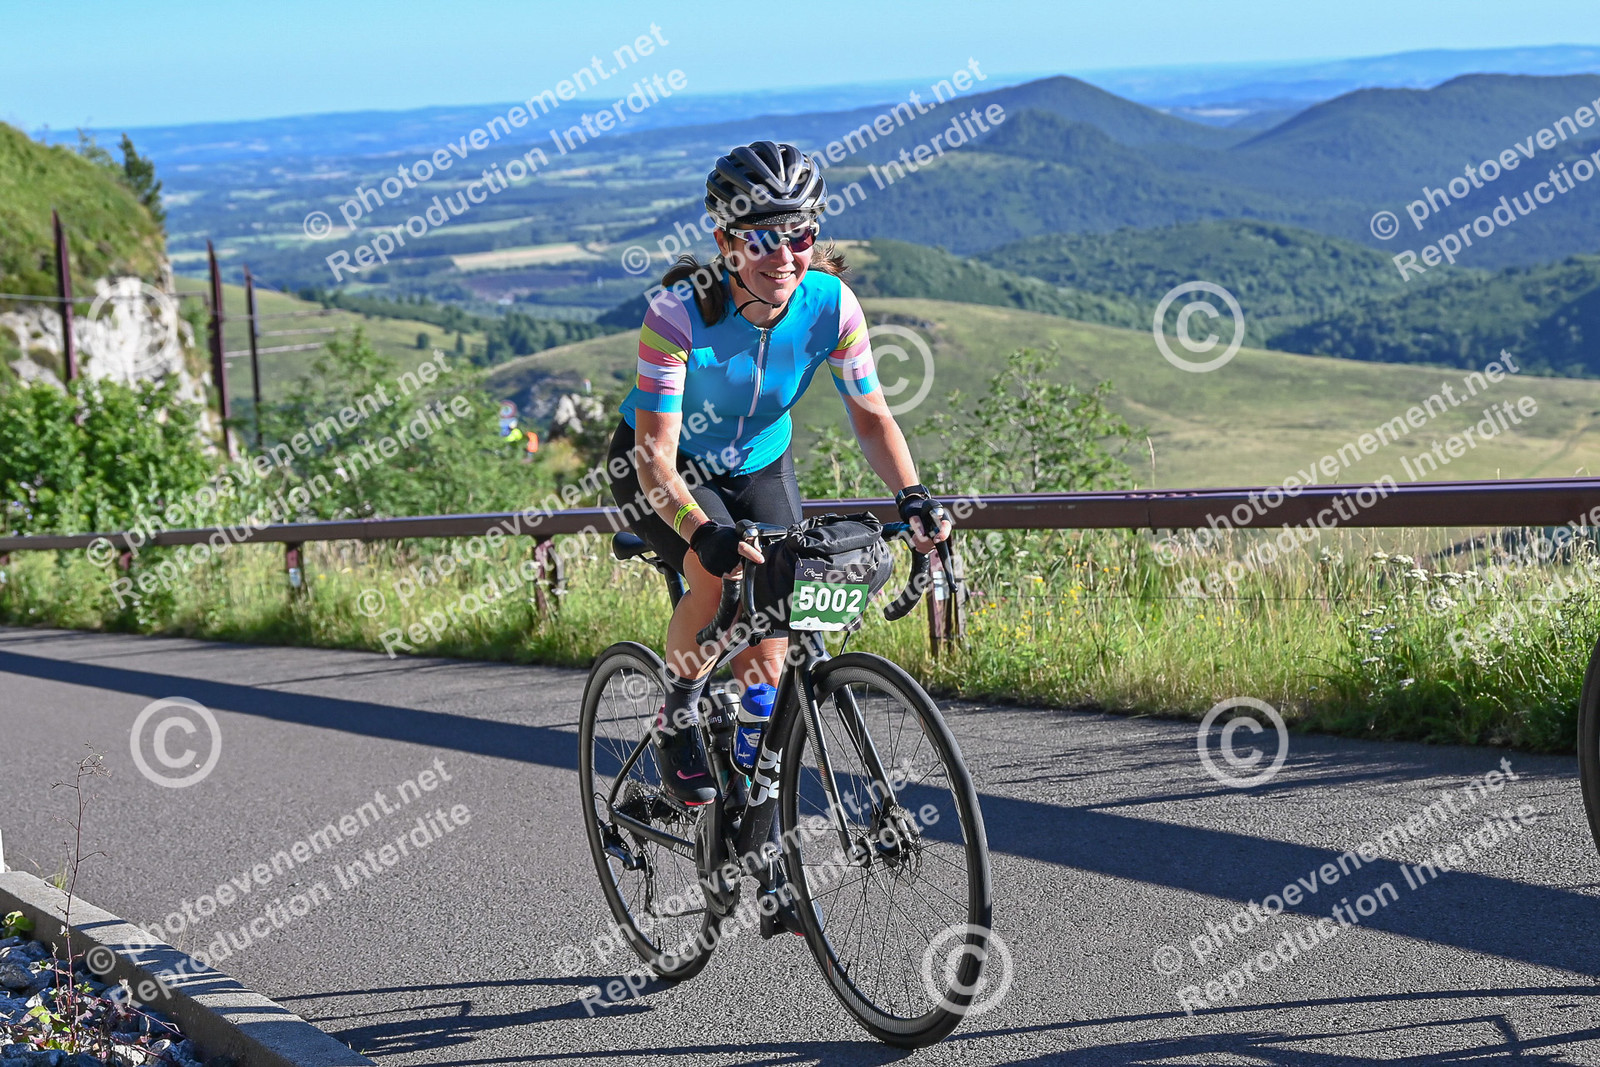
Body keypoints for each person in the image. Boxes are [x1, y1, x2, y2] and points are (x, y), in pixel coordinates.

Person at [605, 140, 951, 805]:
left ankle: (750, 801)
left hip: (761, 463)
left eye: (800, 237)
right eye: (762, 239)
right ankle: (678, 714)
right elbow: (654, 455)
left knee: (774, 636)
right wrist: (700, 530)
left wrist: (912, 495)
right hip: (665, 467)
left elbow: (872, 417)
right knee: (718, 576)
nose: (784, 256)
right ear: (725, 242)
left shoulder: (833, 304)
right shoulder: (677, 314)